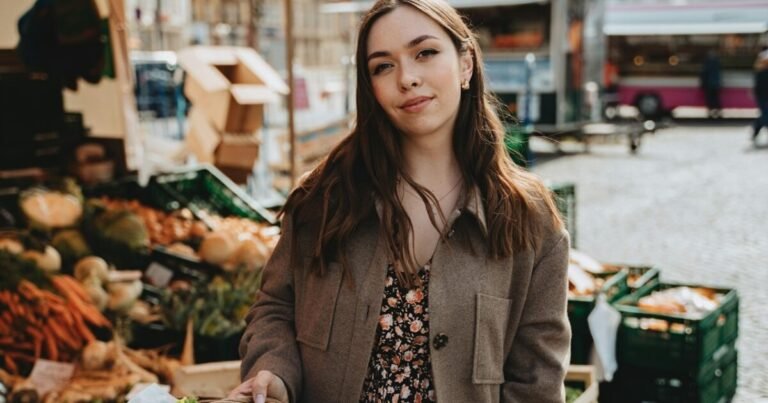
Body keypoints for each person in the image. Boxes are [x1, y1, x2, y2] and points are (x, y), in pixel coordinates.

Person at [228, 1, 571, 402]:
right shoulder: (324, 199)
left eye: (425, 53)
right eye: (383, 66)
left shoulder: (528, 221)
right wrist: (273, 373)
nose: (407, 78)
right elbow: (275, 308)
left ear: (465, 65)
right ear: (369, 87)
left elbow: (537, 382)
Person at [752, 46, 768, 145]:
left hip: (763, 96)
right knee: (765, 116)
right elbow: (758, 87)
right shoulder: (760, 73)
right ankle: (756, 129)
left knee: (765, 115)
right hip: (763, 97)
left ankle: (756, 130)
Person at [700, 50, 722, 118]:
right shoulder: (717, 62)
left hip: (709, 84)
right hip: (715, 83)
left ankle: (710, 112)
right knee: (716, 98)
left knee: (709, 99)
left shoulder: (707, 63)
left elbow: (704, 73)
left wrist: (703, 83)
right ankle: (718, 112)